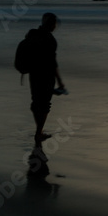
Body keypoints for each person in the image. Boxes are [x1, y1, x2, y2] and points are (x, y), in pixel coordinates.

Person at [28, 12, 66, 144]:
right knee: (44, 105)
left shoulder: (33, 34)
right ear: (51, 24)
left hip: (33, 74)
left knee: (36, 102)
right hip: (46, 75)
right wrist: (60, 81)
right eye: (54, 23)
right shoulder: (49, 39)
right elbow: (52, 62)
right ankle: (39, 133)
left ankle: (39, 131)